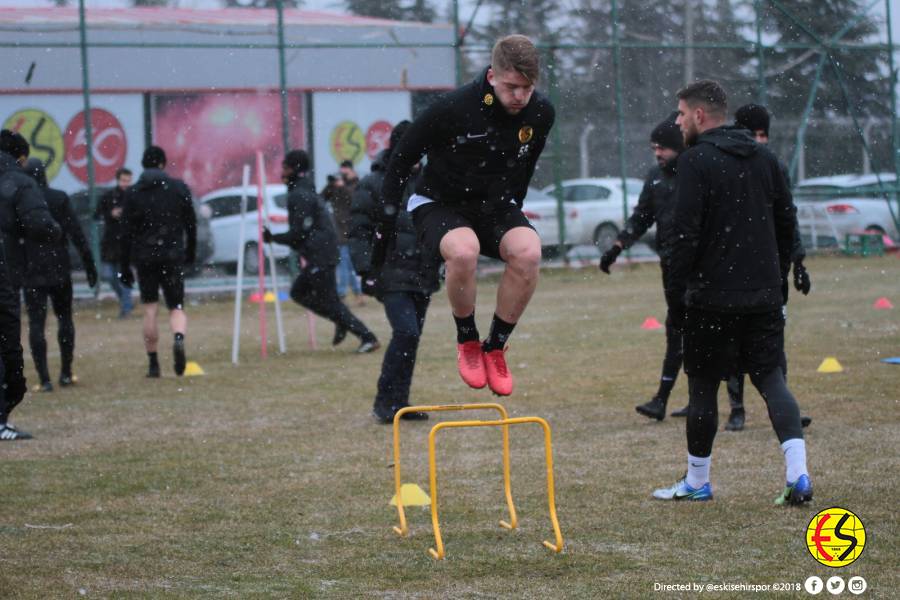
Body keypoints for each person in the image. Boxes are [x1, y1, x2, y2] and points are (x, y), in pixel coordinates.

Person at [653, 80, 812, 506]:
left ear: (700, 116)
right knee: (772, 379)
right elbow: (786, 222)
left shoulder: (695, 162)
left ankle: (697, 481)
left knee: (703, 387)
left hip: (710, 297)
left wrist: (679, 292)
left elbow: (683, 234)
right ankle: (798, 473)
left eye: (682, 114)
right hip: (762, 296)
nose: (679, 121)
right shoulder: (766, 158)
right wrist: (775, 281)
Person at [379, 34, 555, 396]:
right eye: (511, 87)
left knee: (529, 252)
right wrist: (385, 226)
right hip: (439, 202)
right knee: (463, 251)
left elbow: (527, 163)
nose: (520, 96)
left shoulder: (540, 113)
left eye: (527, 87)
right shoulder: (451, 108)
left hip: (494, 204)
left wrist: (513, 204)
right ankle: (468, 340)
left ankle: (495, 347)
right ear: (492, 76)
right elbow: (399, 161)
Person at [669, 104, 813, 430]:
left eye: (765, 135)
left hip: (746, 285)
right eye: (756, 134)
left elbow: (786, 221)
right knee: (744, 361)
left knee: (767, 363)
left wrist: (795, 264)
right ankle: (738, 409)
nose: (760, 140)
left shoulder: (764, 164)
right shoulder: (744, 163)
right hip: (745, 283)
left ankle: (699, 474)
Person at [349, 121, 440, 423]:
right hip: (390, 273)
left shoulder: (430, 181)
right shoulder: (373, 183)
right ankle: (383, 403)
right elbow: (359, 231)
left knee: (411, 339)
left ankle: (400, 403)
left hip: (422, 273)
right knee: (405, 332)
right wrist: (366, 270)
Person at [599, 114, 685, 421]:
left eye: (664, 148)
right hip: (671, 266)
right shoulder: (656, 177)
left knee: (703, 332)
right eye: (654, 148)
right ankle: (667, 400)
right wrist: (618, 246)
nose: (658, 154)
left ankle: (733, 405)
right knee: (679, 331)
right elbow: (642, 216)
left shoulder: (697, 172)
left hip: (702, 268)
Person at [263, 149, 380, 354]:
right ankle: (344, 322)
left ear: (294, 169)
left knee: (312, 297)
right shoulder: (304, 189)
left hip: (321, 255)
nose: (282, 171)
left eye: (285, 167)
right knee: (313, 296)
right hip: (323, 252)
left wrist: (274, 237)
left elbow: (299, 233)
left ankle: (367, 336)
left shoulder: (299, 194)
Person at [0, 129, 62, 440]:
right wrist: (53, 232)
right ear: (20, 157)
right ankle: (1, 419)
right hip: (6, 273)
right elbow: (40, 223)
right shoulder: (19, 183)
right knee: (7, 345)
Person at [119, 146, 197, 378]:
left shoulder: (133, 193)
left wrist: (125, 266)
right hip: (172, 254)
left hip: (145, 257)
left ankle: (153, 364)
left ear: (143, 166)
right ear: (163, 164)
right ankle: (179, 337)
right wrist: (189, 252)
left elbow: (124, 234)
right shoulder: (178, 188)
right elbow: (191, 224)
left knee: (150, 308)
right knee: (176, 306)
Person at [22, 158, 98, 391]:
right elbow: (76, 233)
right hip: (59, 267)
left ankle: (44, 378)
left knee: (36, 323)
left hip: (32, 268)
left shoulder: (22, 201)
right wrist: (89, 264)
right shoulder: (58, 198)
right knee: (65, 318)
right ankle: (66, 372)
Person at [95, 167, 134, 318]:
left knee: (124, 276)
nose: (126, 184)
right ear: (118, 180)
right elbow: (96, 214)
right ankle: (126, 301)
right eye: (124, 180)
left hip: (126, 242)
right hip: (110, 242)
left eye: (128, 181)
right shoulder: (108, 196)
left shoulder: (133, 196)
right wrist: (110, 213)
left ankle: (126, 308)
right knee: (109, 275)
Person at [322, 173, 363, 302]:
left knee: (344, 265)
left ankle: (342, 293)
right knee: (348, 265)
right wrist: (330, 184)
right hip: (339, 234)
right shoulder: (334, 191)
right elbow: (322, 197)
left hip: (347, 233)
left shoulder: (351, 189)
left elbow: (352, 198)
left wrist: (342, 187)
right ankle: (357, 293)